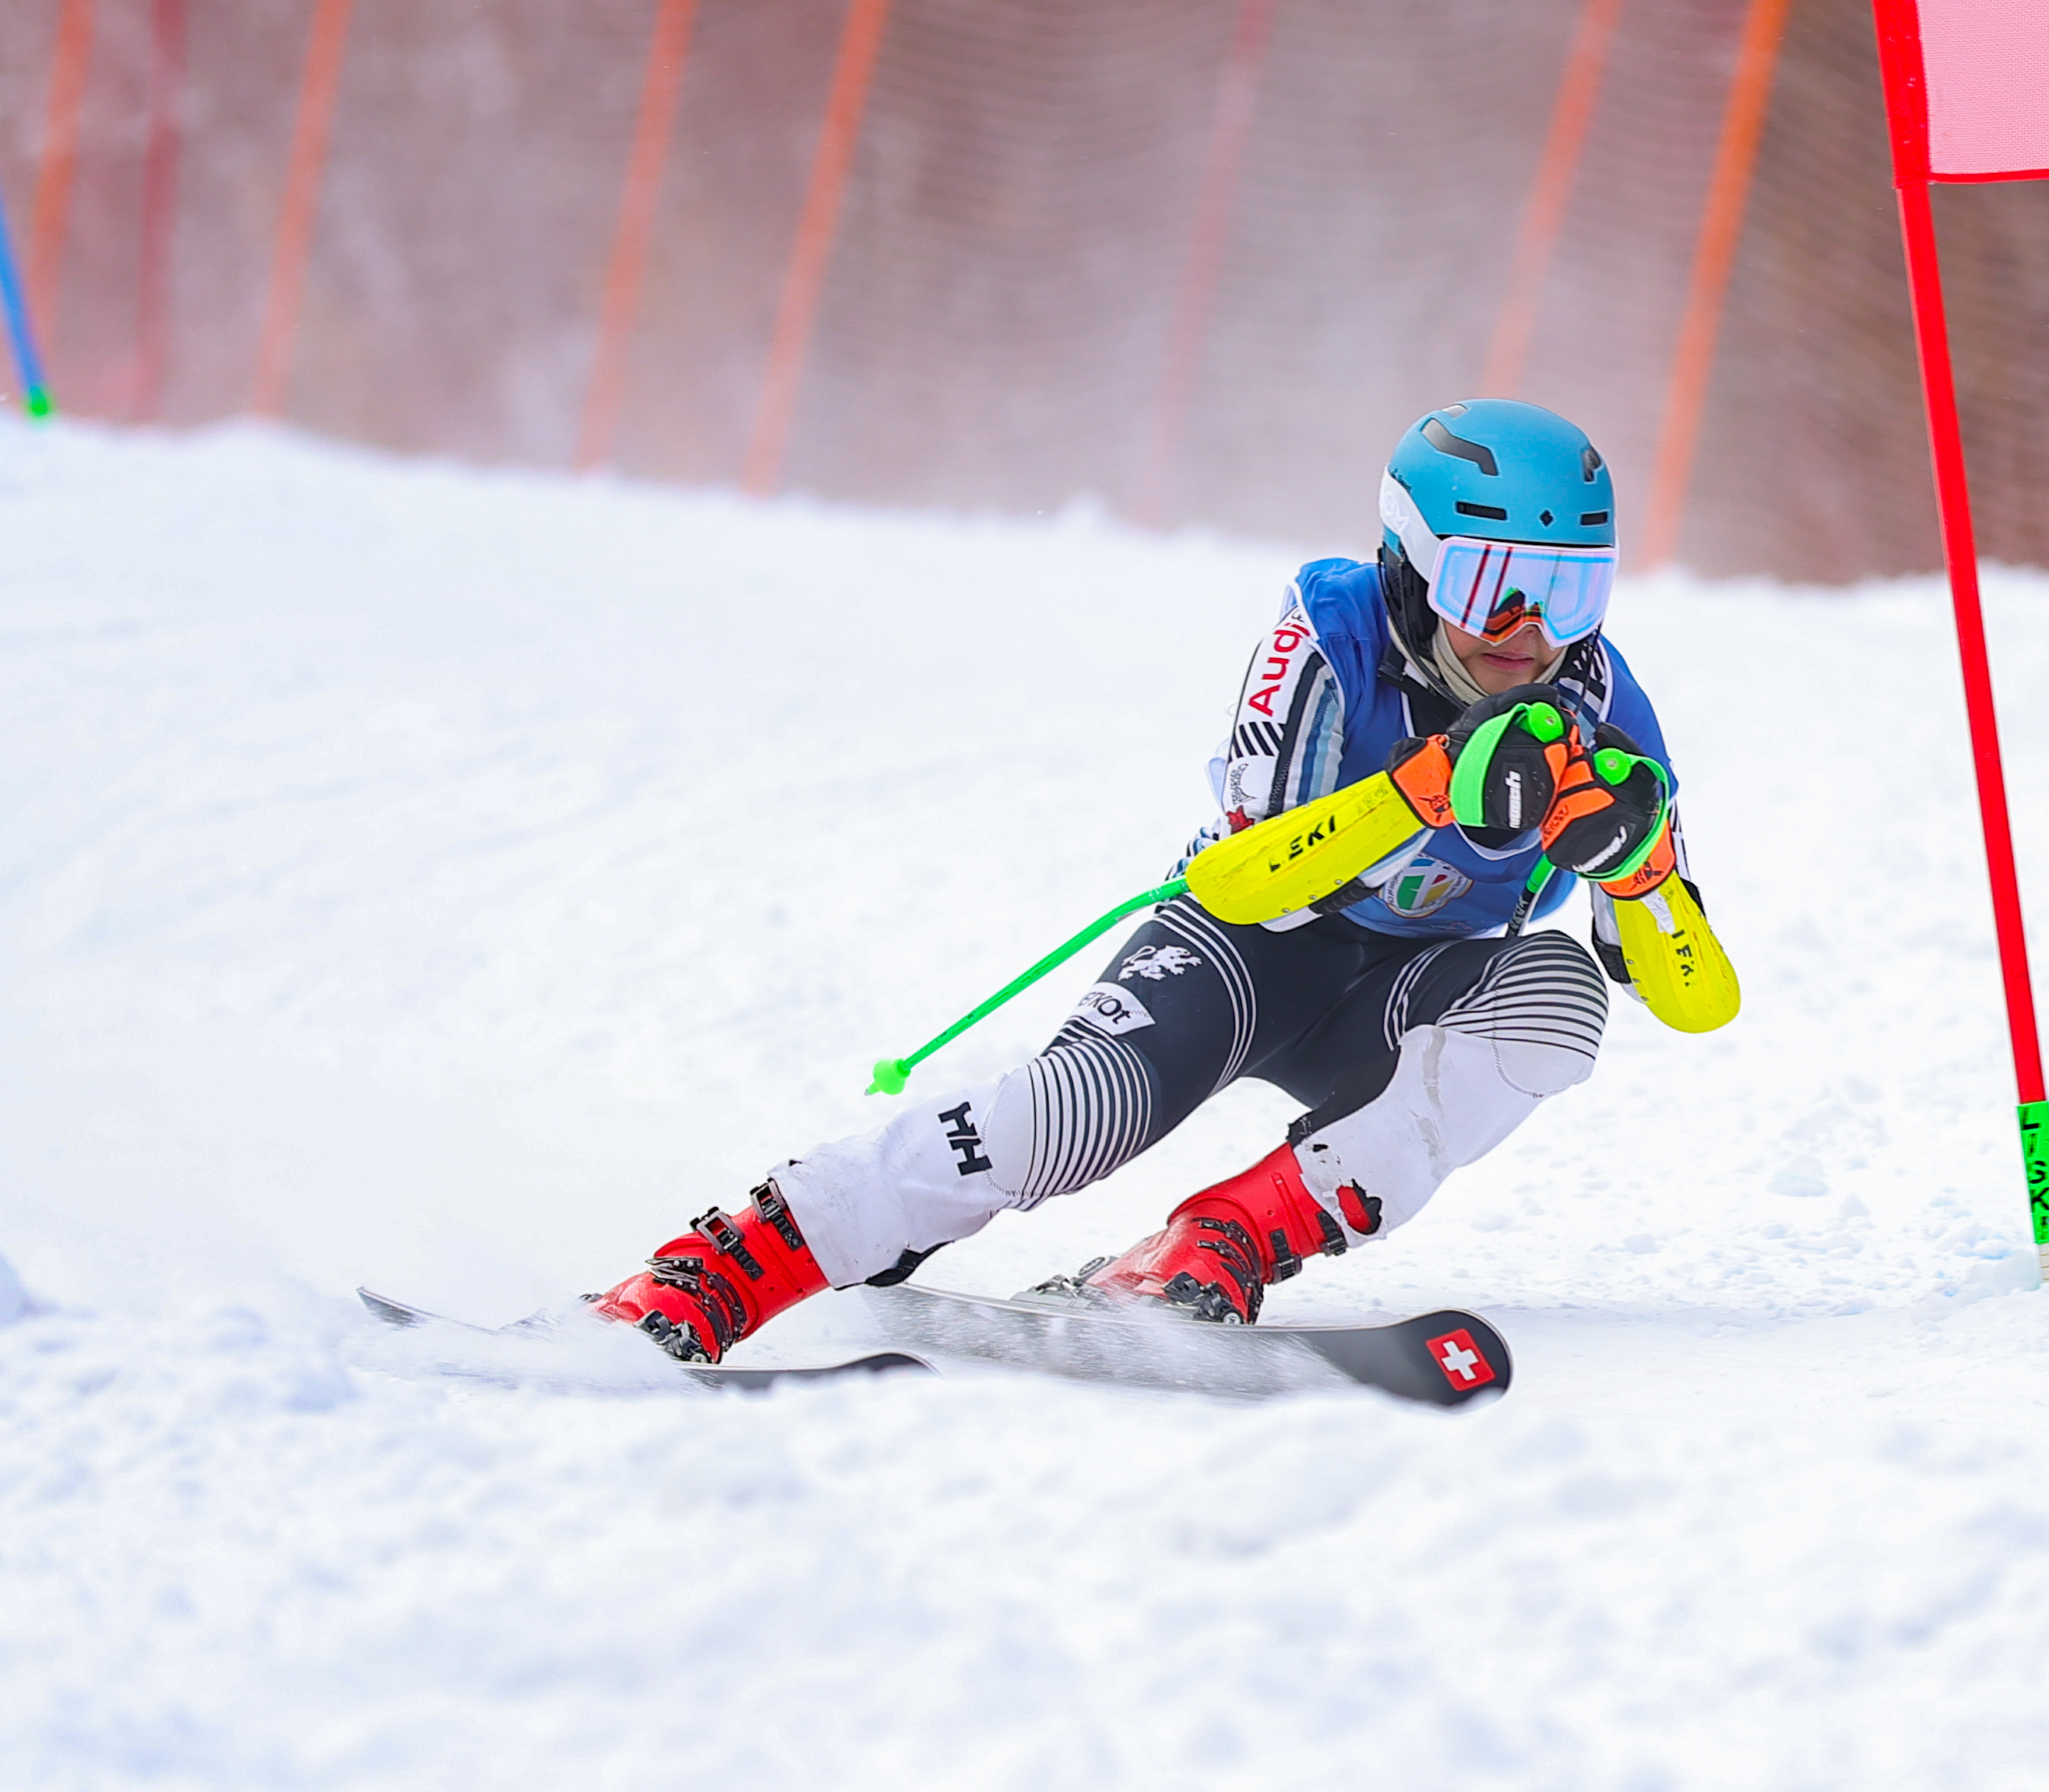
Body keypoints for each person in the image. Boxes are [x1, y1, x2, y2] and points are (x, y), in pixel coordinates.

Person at [585, 398, 1736, 1363]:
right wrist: (1424, 793)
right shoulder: (1332, 631)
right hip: (1253, 949)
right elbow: (1240, 879)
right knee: (1077, 1117)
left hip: (1404, 992)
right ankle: (732, 1263)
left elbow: (1699, 1003)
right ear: (1414, 563)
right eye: (1493, 586)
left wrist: (1638, 874)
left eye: (1570, 593)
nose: (1530, 635)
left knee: (1560, 996)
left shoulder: (1600, 711)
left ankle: (1219, 1240)